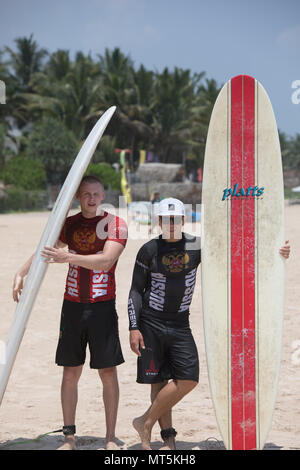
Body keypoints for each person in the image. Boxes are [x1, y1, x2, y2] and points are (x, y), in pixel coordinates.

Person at [128, 197, 290, 451]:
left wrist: (275, 251)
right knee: (158, 380)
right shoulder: (148, 250)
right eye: (165, 219)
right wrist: (133, 326)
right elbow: (136, 291)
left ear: (183, 220)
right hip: (151, 323)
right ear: (158, 221)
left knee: (188, 379)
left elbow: (237, 253)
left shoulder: (196, 246)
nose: (170, 224)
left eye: (175, 219)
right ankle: (166, 438)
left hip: (180, 323)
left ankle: (144, 421)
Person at [12, 175, 128, 450]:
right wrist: (21, 272)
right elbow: (46, 250)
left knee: (107, 372)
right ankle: (69, 437)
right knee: (69, 372)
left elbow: (106, 260)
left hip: (102, 306)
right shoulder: (70, 225)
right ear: (78, 195)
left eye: (96, 194)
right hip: (72, 306)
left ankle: (110, 437)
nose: (91, 198)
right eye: (86, 193)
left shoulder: (116, 224)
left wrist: (69, 257)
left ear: (103, 195)